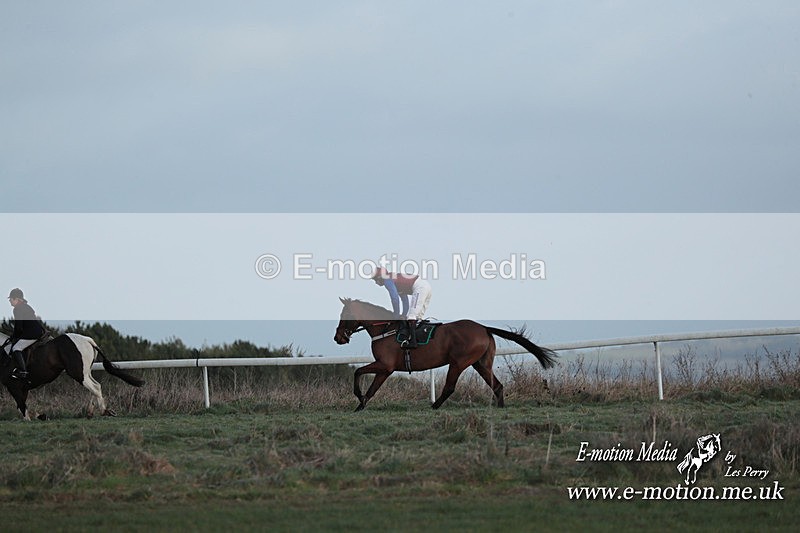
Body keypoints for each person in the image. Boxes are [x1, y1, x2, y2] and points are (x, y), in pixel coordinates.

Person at [370, 267, 432, 348]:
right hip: (426, 286)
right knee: (418, 317)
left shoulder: (387, 280)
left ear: (380, 277)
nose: (376, 283)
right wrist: (402, 314)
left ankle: (413, 342)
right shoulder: (395, 280)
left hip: (420, 288)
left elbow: (395, 299)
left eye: (375, 280)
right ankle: (419, 340)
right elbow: (405, 301)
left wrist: (396, 316)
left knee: (411, 316)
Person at [4, 288, 44, 380]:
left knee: (15, 348)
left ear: (17, 299)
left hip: (31, 334)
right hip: (37, 331)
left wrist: (13, 337)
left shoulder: (17, 309)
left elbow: (18, 327)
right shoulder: (27, 306)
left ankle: (23, 371)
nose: (10, 301)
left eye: (11, 299)